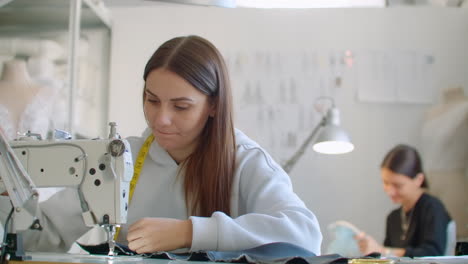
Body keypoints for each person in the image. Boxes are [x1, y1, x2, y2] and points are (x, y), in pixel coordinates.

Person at [0, 35, 322, 255]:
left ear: (213, 106)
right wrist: (7, 210)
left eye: (180, 106)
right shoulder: (118, 158)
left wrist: (189, 233)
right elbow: (44, 235)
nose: (161, 119)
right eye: (152, 100)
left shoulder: (246, 162)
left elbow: (305, 235)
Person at [355, 144, 451, 257]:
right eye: (385, 183)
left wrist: (384, 251)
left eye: (397, 185)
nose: (389, 191)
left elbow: (433, 253)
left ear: (419, 180)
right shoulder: (393, 218)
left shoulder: (433, 208)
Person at [421, 86, 468, 239]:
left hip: (452, 181)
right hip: (427, 182)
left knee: (456, 235)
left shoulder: (464, 109)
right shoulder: (432, 112)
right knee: (428, 235)